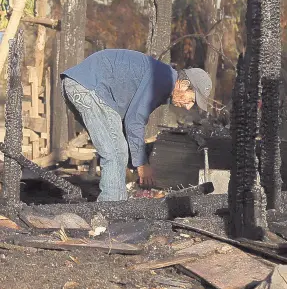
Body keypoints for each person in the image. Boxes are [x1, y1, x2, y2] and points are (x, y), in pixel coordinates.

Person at [60, 49, 212, 201]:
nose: (188, 107)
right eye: (191, 100)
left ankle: (118, 204)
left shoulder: (163, 78)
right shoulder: (163, 79)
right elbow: (134, 120)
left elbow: (129, 119)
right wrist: (142, 164)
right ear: (184, 84)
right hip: (88, 88)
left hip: (85, 86)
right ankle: (109, 210)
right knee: (114, 151)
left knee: (118, 149)